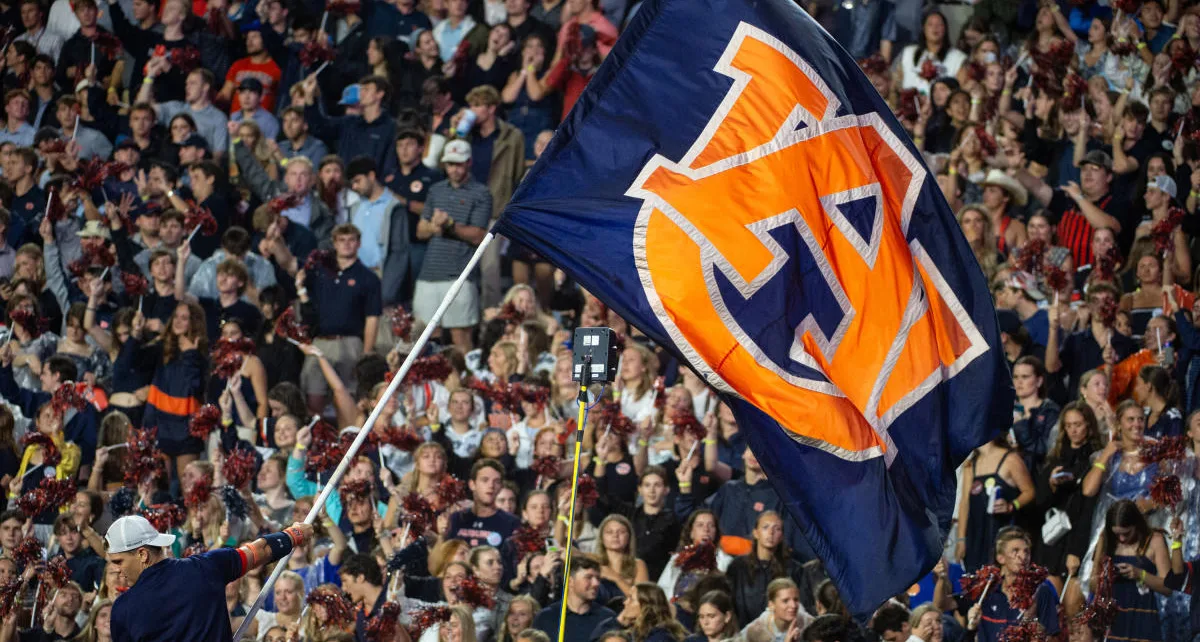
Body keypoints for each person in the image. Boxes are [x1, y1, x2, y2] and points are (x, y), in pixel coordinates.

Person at [106, 514, 312, 641]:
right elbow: (261, 550)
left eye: (118, 562)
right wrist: (294, 535)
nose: (116, 570)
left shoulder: (123, 609)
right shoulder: (206, 566)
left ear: (142, 554)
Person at [414, 140, 492, 351]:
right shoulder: (436, 190)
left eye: (458, 164)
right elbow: (421, 231)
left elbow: (478, 235)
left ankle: (465, 381)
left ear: (469, 163)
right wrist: (434, 226)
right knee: (426, 336)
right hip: (429, 273)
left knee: (461, 337)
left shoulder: (481, 193)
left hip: (460, 275)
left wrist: (448, 225)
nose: (454, 169)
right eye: (450, 164)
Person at [935, 527, 1060, 642]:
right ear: (1001, 558)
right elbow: (941, 604)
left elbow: (1053, 636)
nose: (1023, 556)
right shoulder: (985, 589)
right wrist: (942, 578)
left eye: (1026, 552)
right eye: (1015, 551)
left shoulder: (1040, 592)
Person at [532, 555, 616, 640]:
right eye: (588, 577)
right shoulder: (545, 618)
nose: (596, 583)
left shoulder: (607, 618)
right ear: (570, 582)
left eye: (598, 578)